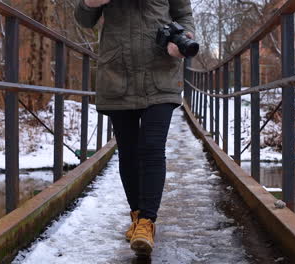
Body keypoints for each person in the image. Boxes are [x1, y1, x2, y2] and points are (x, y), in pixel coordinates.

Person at [74, 0, 195, 256]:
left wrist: (183, 41)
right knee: (128, 151)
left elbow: (183, 14)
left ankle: (147, 222)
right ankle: (137, 217)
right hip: (118, 73)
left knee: (152, 148)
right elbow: (84, 20)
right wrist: (90, 3)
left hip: (160, 71)